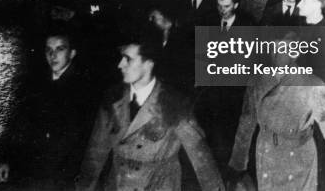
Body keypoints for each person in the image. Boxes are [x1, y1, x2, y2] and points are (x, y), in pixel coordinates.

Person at [75, 36, 225, 191]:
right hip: (119, 184)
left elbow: (200, 157)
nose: (120, 65)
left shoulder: (173, 102)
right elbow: (95, 152)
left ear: (148, 64)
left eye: (128, 59)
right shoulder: (113, 98)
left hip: (158, 185)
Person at [228, 32, 325, 191]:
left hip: (299, 157)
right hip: (266, 155)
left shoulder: (311, 84)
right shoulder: (257, 81)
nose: (276, 55)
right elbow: (247, 121)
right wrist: (238, 162)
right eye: (273, 49)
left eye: (282, 49)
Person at [0, 30, 95, 189]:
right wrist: (5, 158)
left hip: (58, 177)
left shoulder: (83, 90)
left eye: (60, 49)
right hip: (28, 172)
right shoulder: (34, 83)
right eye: (48, 50)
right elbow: (17, 124)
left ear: (72, 53)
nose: (53, 55)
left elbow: (82, 140)